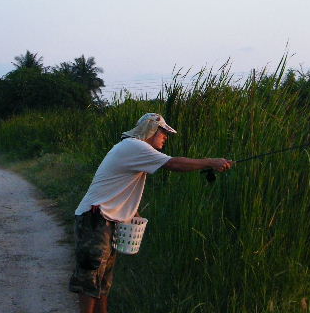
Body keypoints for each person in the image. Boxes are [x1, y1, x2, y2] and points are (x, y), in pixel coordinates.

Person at [69, 112, 233, 313]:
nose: (166, 137)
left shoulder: (132, 149)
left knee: (103, 284)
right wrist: (210, 162)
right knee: (90, 283)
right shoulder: (135, 146)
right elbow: (174, 164)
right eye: (163, 132)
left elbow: (119, 186)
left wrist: (132, 211)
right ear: (152, 130)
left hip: (105, 221)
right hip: (94, 220)